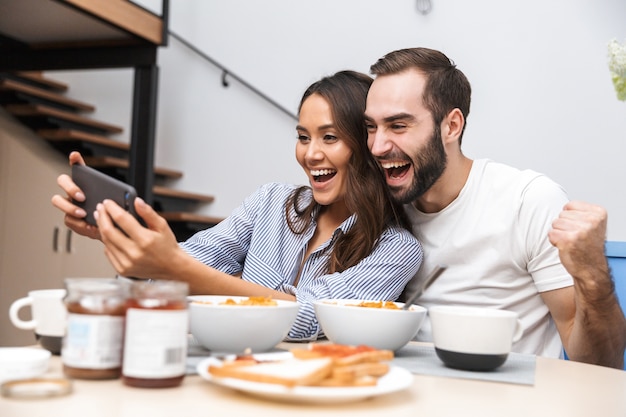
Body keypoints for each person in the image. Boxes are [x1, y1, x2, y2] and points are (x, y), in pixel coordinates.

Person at [51, 70, 423, 341]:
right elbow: (188, 262)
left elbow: (310, 319)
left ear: (367, 144)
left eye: (329, 137)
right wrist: (124, 236)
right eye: (302, 137)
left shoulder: (396, 249)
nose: (310, 154)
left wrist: (176, 266)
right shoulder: (271, 202)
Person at [364, 47, 626, 368]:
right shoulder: (381, 209)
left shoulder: (527, 200)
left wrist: (593, 274)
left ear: (452, 126)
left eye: (398, 126)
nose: (377, 146)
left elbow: (602, 361)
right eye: (371, 127)